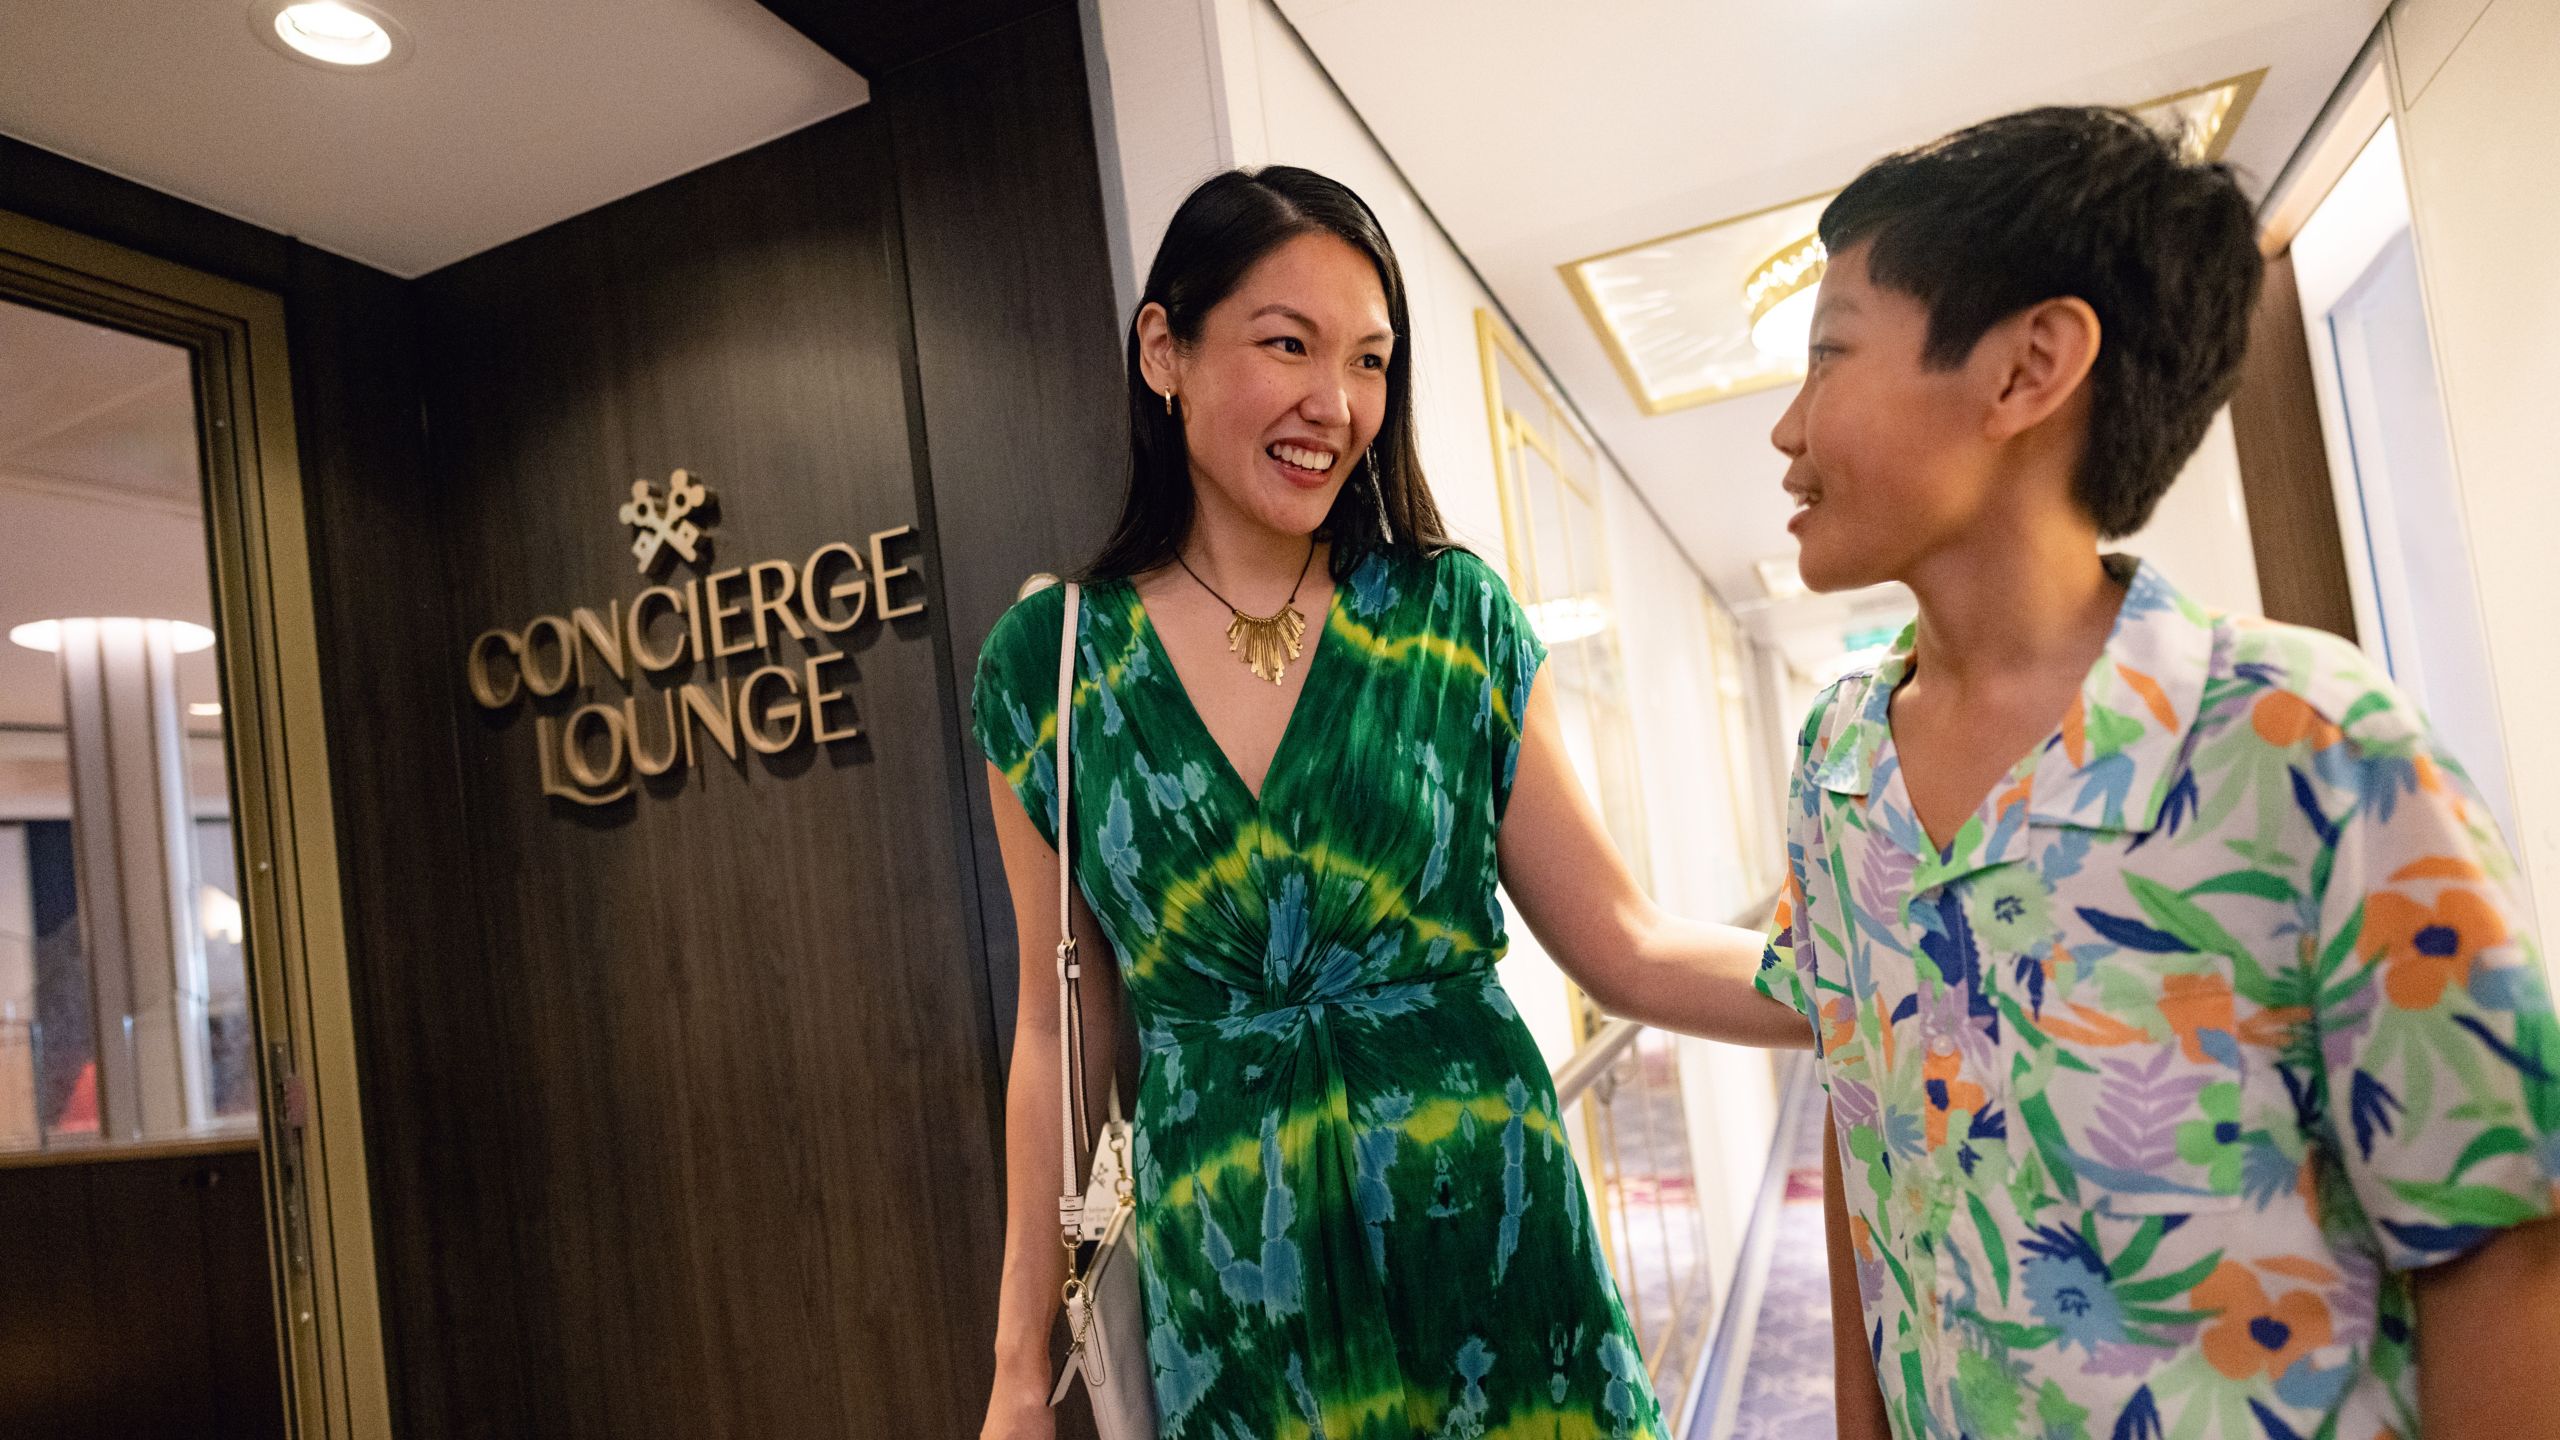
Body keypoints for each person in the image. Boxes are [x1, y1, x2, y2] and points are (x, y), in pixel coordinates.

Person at [1754, 106, 2560, 1440]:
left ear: (2028, 368)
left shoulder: (2305, 740)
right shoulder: (1839, 762)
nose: (1788, 427)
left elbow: (2499, 1241)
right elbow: (1865, 1145)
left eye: (1829, 355)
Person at [970, 165, 1807, 1440]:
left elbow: (1623, 946)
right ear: (1164, 351)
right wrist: (1018, 1374)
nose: (1336, 403)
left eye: (1369, 362)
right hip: (1243, 1308)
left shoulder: (1448, 620)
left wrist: (1885, 984)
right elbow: (1054, 1033)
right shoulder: (1049, 668)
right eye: (1287, 345)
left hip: (1496, 1261)